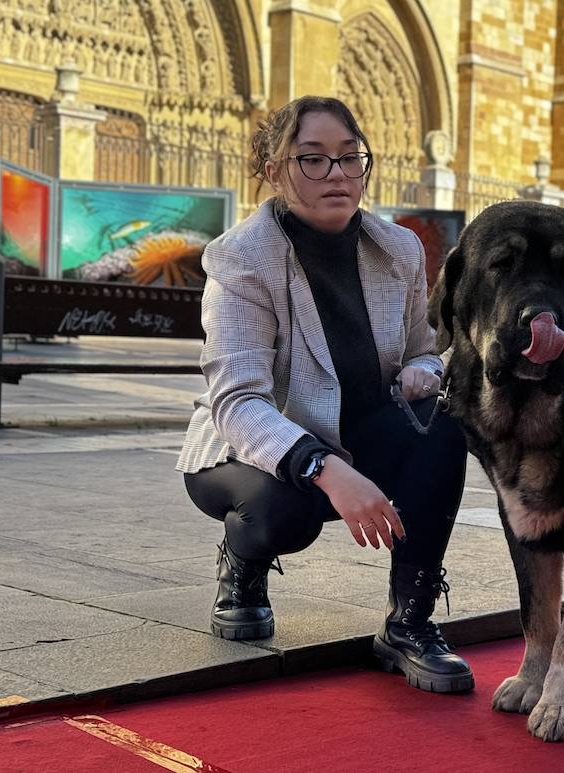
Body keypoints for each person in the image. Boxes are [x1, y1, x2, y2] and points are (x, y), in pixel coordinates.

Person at [175, 96, 473, 693]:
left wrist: (424, 370)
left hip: (362, 427)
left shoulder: (400, 249)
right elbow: (238, 401)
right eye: (312, 159)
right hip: (248, 452)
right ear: (274, 170)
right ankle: (243, 562)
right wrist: (324, 467)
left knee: (441, 432)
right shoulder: (241, 257)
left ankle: (410, 622)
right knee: (288, 512)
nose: (337, 174)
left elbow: (423, 345)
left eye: (348, 158)